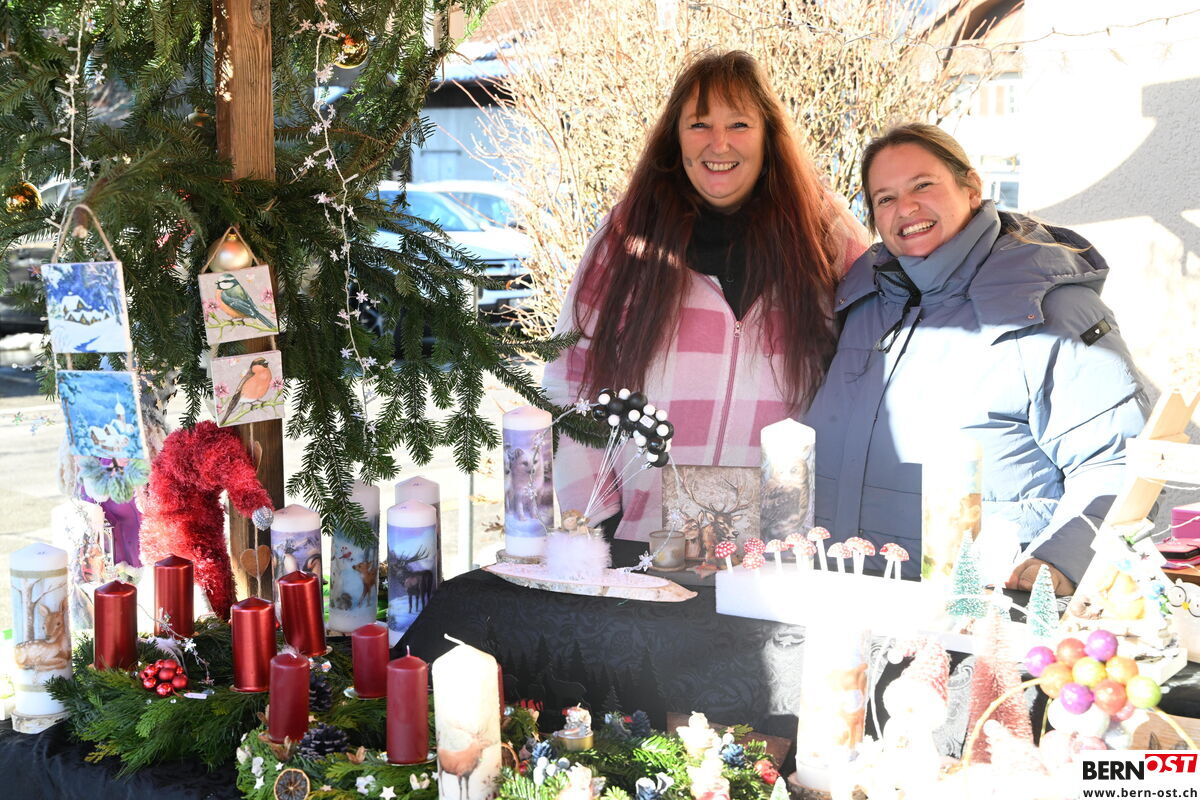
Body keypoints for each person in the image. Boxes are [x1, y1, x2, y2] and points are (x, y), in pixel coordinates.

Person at [805, 123, 1147, 593]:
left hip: (978, 607)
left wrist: (1063, 561)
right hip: (842, 594)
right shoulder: (862, 302)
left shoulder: (1048, 308)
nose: (906, 208)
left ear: (971, 187)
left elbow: (1119, 461)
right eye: (885, 198)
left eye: (923, 185)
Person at [543, 51, 867, 543]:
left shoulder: (825, 235)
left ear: (768, 135)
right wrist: (596, 516)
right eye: (699, 124)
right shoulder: (627, 238)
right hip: (645, 542)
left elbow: (872, 368)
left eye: (739, 123)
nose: (720, 143)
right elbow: (571, 375)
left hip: (782, 549)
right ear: (675, 139)